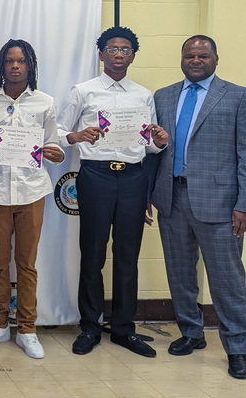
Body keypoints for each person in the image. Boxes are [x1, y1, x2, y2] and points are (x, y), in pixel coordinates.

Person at [147, 36, 246, 380]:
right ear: (181, 59)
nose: (195, 60)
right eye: (189, 55)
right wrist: (148, 196)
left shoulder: (238, 96)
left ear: (215, 59)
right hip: (172, 198)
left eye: (202, 55)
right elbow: (153, 150)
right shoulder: (164, 96)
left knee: (227, 279)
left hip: (221, 204)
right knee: (180, 273)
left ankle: (237, 348)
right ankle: (192, 333)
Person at [57, 26, 169, 358]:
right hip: (95, 176)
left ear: (133, 55)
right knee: (92, 253)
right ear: (101, 54)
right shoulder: (84, 91)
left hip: (133, 179)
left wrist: (159, 143)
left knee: (127, 256)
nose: (119, 54)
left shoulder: (143, 95)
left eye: (125, 50)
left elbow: (146, 144)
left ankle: (123, 329)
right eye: (112, 49)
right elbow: (60, 130)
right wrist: (77, 136)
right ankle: (90, 327)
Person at [0, 40, 65, 359]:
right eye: (9, 61)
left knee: (26, 264)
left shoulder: (45, 103)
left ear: (30, 66)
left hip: (32, 191)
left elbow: (53, 146)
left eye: (21, 61)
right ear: (1, 67)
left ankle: (27, 328)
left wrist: (54, 153)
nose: (15, 66)